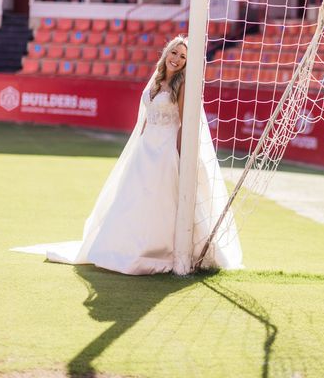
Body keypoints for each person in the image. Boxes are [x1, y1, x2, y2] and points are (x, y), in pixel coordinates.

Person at [12, 36, 243, 275]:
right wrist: (140, 144)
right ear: (166, 53)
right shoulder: (156, 81)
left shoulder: (182, 86)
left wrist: (181, 153)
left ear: (186, 63)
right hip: (145, 149)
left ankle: (155, 250)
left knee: (161, 200)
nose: (176, 59)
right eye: (174, 53)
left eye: (183, 57)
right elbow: (145, 118)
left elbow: (185, 122)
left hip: (165, 151)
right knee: (132, 197)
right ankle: (124, 246)